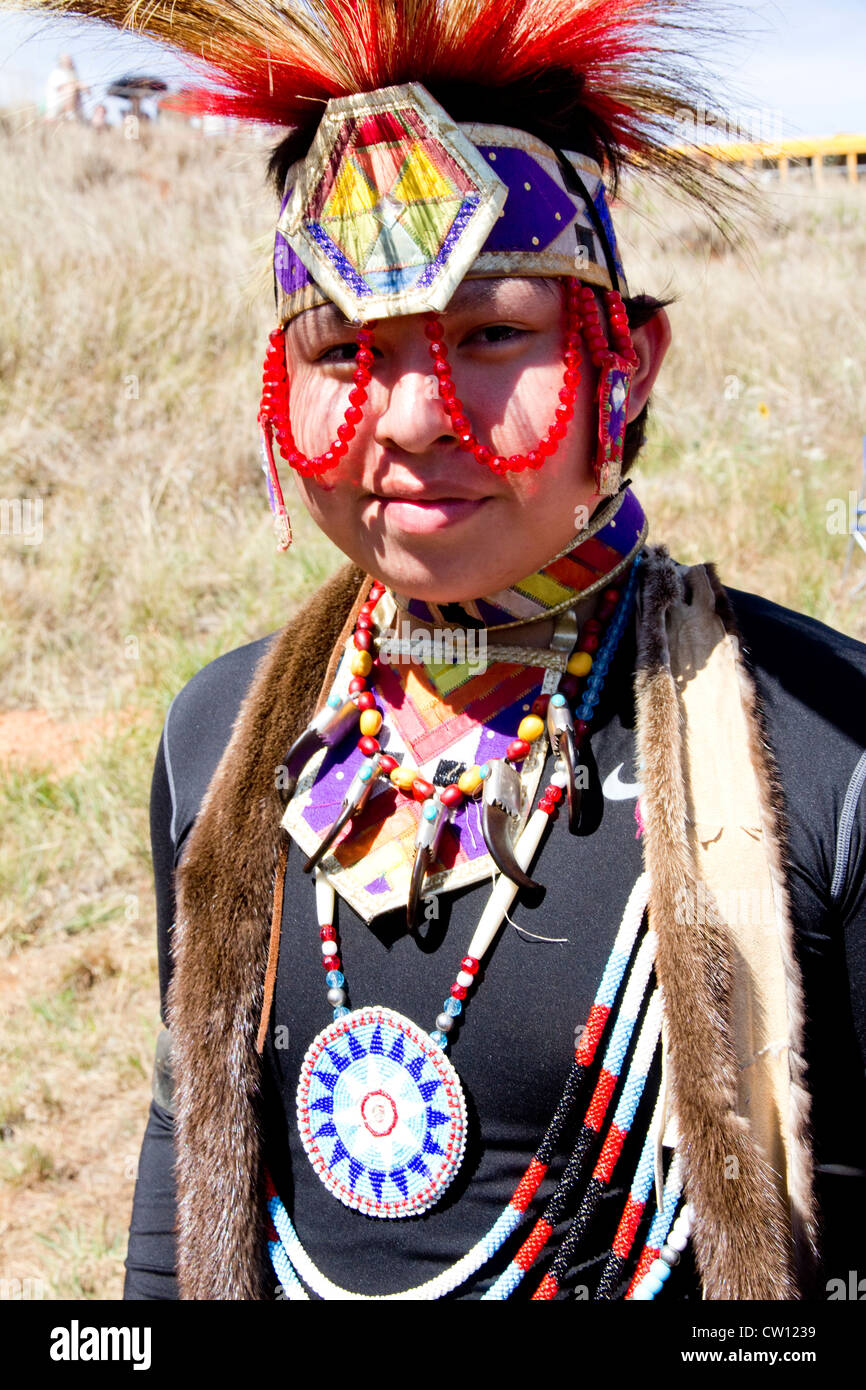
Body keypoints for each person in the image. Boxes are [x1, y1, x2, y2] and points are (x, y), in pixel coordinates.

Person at [27, 0, 865, 1301]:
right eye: (343, 348)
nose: (414, 412)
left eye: (490, 334)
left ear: (623, 366)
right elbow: (178, 1161)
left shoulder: (823, 759)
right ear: (276, 381)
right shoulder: (213, 739)